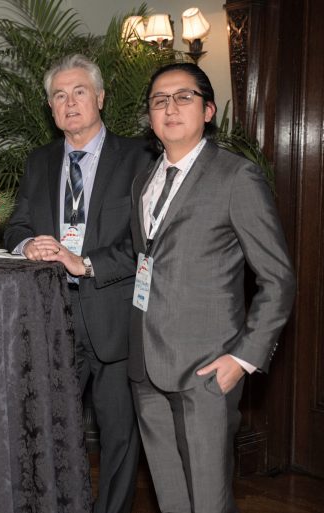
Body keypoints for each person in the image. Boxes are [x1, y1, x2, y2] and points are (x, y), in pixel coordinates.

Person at [128, 62, 295, 513]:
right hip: (145, 366)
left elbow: (278, 278)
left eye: (183, 97)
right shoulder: (144, 180)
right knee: (172, 500)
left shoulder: (236, 177)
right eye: (159, 100)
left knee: (208, 503)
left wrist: (242, 359)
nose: (170, 108)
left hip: (206, 370)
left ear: (208, 110)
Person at [4, 54, 153, 513]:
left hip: (115, 316)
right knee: (47, 430)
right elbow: (16, 224)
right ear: (50, 108)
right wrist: (27, 244)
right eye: (59, 96)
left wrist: (84, 263)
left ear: (100, 98)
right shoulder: (40, 161)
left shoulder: (141, 158)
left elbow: (146, 242)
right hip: (50, 317)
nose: (69, 103)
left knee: (119, 436)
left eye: (80, 92)